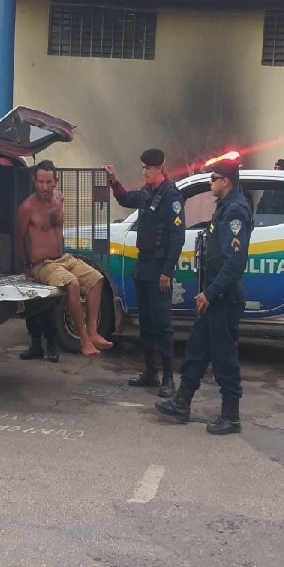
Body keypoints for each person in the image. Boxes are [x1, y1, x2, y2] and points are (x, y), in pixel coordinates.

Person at [155, 157, 252, 435]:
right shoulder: (224, 208)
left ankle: (231, 417)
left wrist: (210, 292)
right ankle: (182, 403)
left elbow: (234, 263)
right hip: (211, 298)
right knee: (197, 350)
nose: (210, 183)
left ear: (226, 181)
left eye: (213, 178)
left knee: (225, 357)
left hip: (223, 299)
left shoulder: (235, 212)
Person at [103, 148, 184, 398]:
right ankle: (150, 372)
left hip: (160, 269)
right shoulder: (147, 193)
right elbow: (126, 199)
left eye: (147, 168)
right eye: (143, 168)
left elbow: (177, 236)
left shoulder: (172, 196)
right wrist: (114, 182)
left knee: (163, 325)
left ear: (160, 168)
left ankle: (168, 377)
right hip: (143, 266)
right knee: (146, 324)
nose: (144, 172)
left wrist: (167, 271)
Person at [17, 160, 113, 357]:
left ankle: (93, 332)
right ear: (34, 181)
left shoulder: (60, 199)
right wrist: (27, 267)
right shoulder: (27, 207)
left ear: (56, 181)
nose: (44, 187)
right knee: (73, 284)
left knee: (97, 279)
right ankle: (84, 340)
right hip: (42, 264)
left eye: (48, 182)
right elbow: (19, 238)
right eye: (40, 182)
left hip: (63, 258)